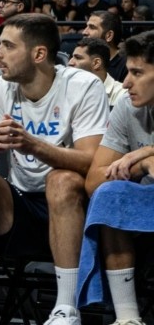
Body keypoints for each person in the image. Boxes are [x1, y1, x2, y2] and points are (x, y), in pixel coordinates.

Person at [0, 14, 108, 325]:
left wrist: (32, 144)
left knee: (61, 180)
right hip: (18, 203)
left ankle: (66, 308)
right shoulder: (1, 87)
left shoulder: (83, 85)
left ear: (38, 54)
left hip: (73, 205)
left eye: (8, 46)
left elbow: (93, 162)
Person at [78, 30, 154, 325]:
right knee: (108, 195)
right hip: (145, 203)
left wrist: (147, 150)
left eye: (137, 72)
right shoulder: (126, 106)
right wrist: (141, 164)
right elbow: (94, 181)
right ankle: (127, 319)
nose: (126, 82)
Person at [67, 37, 127, 108]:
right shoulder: (67, 90)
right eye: (72, 57)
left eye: (78, 58)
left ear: (96, 63)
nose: (70, 63)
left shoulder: (122, 95)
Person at [82, 11, 128, 82]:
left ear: (109, 35)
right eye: (86, 26)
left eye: (92, 27)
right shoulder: (82, 60)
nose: (84, 32)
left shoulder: (126, 66)